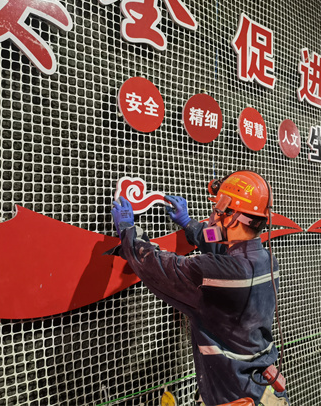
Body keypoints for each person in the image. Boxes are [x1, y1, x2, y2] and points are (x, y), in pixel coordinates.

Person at [111, 171, 289, 406]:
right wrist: (188, 224)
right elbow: (222, 246)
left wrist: (128, 231)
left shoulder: (214, 273)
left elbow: (156, 266)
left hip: (233, 397)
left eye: (217, 211)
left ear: (233, 218)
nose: (212, 216)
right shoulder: (266, 260)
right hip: (265, 392)